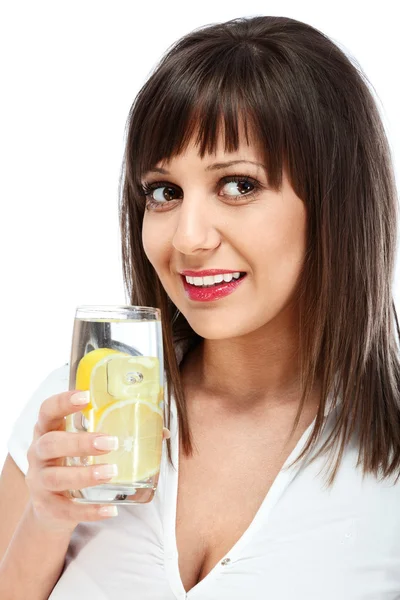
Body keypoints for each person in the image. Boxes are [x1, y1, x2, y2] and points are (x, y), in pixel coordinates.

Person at [1, 13, 400, 599]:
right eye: (164, 192)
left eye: (238, 185)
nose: (187, 238)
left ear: (336, 204)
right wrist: (45, 520)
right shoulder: (78, 416)